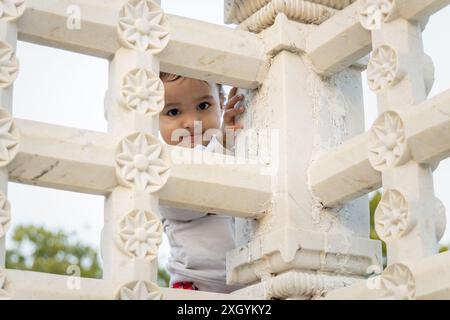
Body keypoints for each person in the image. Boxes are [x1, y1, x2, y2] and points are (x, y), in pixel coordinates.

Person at [158, 72, 246, 293]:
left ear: (221, 103)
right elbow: (192, 202)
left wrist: (224, 143)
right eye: (174, 111)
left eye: (204, 105)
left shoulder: (231, 149)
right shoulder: (163, 166)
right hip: (195, 287)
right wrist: (222, 143)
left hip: (246, 286)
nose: (192, 122)